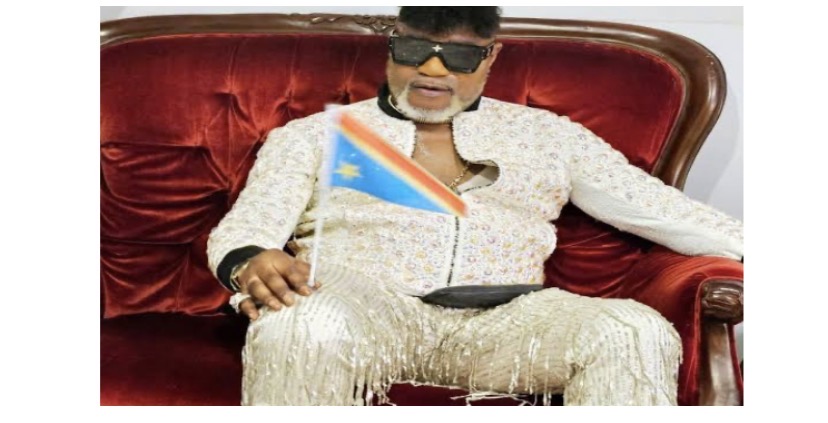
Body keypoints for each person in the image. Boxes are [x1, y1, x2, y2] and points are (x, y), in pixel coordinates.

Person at [206, 6, 743, 406]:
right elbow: (248, 227)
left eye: (459, 56)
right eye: (414, 50)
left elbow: (661, 210)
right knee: (297, 322)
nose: (432, 70)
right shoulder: (315, 135)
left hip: (508, 322)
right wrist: (249, 261)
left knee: (633, 330)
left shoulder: (549, 135)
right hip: (363, 311)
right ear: (392, 47)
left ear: (491, 56)